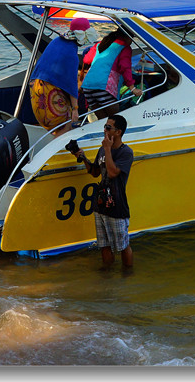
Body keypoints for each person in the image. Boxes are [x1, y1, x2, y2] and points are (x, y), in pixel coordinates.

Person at [69, 115, 134, 268]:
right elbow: (95, 172)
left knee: (123, 245)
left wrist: (107, 149)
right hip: (101, 203)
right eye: (105, 126)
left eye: (108, 127)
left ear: (118, 132)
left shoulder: (126, 152)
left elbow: (112, 173)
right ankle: (107, 274)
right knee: (104, 244)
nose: (104, 130)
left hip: (117, 205)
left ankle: (128, 274)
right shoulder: (102, 150)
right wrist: (83, 158)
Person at [29, 17, 91, 135]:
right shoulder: (71, 53)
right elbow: (71, 82)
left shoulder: (57, 41)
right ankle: (61, 150)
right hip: (49, 91)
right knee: (65, 125)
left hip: (36, 88)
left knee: (55, 128)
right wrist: (75, 109)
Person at [81, 29, 137, 118]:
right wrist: (133, 88)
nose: (131, 42)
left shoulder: (99, 44)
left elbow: (86, 59)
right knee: (114, 119)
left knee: (102, 120)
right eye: (132, 38)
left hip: (87, 87)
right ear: (127, 37)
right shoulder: (124, 47)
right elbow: (125, 68)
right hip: (103, 86)